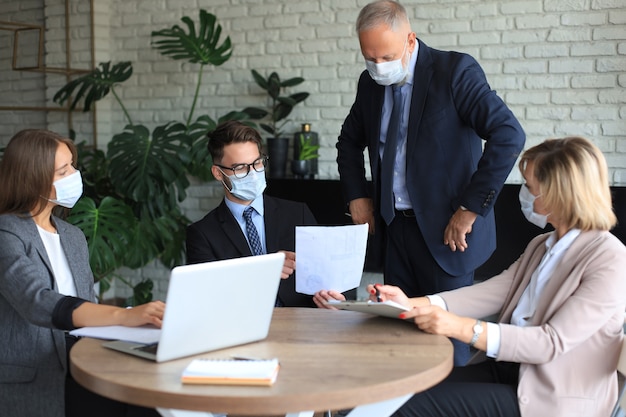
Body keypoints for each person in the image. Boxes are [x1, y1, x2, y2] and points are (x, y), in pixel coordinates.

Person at [317, 136, 626, 417]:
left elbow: (550, 343)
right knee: (391, 389)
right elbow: (498, 291)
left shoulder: (608, 258)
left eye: (531, 188)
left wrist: (462, 328)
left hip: (550, 398)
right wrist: (411, 303)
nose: (525, 195)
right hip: (508, 372)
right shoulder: (544, 245)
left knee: (400, 409)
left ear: (560, 193)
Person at [337, 0, 526, 364]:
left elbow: (508, 134)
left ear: (410, 40)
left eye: (386, 57)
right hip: (395, 232)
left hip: (448, 235)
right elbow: (348, 142)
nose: (378, 67)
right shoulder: (370, 83)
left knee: (447, 349)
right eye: (369, 58)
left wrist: (470, 208)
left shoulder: (454, 71)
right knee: (399, 341)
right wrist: (356, 196)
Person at [0, 129, 165, 417]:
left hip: (83, 358)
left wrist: (136, 327)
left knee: (152, 402)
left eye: (73, 166)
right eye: (64, 171)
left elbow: (87, 304)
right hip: (36, 376)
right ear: (33, 178)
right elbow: (37, 301)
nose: (75, 175)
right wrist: (124, 315)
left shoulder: (72, 235)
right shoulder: (7, 233)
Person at [186, 120, 319, 307]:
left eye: (257, 163)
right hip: (239, 328)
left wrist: (331, 297)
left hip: (299, 325)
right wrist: (265, 271)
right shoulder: (202, 234)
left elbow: (325, 275)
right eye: (240, 168)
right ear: (218, 173)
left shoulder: (298, 214)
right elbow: (207, 295)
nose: (253, 174)